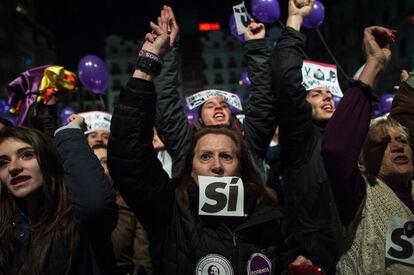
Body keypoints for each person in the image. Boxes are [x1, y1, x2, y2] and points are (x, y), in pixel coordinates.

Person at [108, 12, 309, 275]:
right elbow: (134, 149)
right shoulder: (171, 212)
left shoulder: (268, 215)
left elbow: (262, 105)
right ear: (188, 165)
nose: (216, 166)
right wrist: (153, 61)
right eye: (204, 157)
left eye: (227, 157)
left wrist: (257, 48)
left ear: (243, 164)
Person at [322, 25, 414, 274]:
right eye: (382, 143)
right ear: (360, 162)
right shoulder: (357, 195)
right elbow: (337, 149)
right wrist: (374, 62)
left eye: (402, 140)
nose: (397, 146)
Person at [155, 7, 277, 185]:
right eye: (210, 106)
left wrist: (256, 46)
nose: (219, 107)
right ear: (199, 118)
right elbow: (166, 101)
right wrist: (168, 50)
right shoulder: (186, 144)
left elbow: (263, 98)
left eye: (224, 105)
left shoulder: (250, 140)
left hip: (252, 212)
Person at [270, 0, 338, 272]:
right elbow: (287, 85)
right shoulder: (300, 139)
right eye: (315, 93)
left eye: (329, 93)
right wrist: (295, 20)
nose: (326, 97)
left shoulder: (348, 138)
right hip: (315, 255)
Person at [0, 116, 118, 275]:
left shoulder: (78, 221)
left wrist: (69, 133)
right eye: (3, 163)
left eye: (27, 155)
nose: (13, 168)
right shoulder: (6, 228)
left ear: (49, 162)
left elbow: (95, 205)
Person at [92, 144, 153, 275]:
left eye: (104, 162)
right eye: (93, 161)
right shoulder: (73, 204)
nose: (99, 167)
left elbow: (142, 254)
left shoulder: (131, 203)